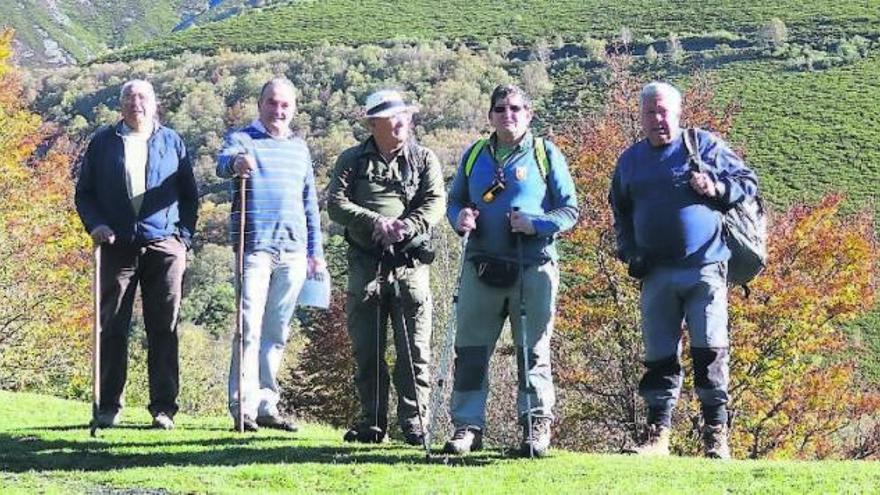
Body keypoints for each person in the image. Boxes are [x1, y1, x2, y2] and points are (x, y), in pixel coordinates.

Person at [609, 81, 758, 459]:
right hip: (655, 274)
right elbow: (620, 214)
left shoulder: (702, 145)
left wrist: (715, 187)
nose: (658, 119)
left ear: (677, 112)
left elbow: (747, 182)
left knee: (710, 351)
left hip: (705, 267)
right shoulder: (629, 161)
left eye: (664, 111)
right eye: (650, 112)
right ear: (641, 117)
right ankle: (658, 437)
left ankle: (716, 438)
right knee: (659, 356)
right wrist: (629, 253)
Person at [444, 84, 578, 457]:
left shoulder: (545, 154)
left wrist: (536, 224)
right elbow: (454, 201)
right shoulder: (474, 155)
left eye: (516, 108)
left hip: (532, 268)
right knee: (470, 352)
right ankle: (467, 428)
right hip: (481, 268)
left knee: (531, 352)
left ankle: (535, 428)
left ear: (529, 114)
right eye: (500, 109)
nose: (508, 115)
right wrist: (461, 218)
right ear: (490, 116)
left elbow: (570, 211)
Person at [75, 79, 198, 430]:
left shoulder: (172, 141)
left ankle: (163, 408)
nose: (136, 103)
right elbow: (84, 194)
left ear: (155, 103)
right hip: (116, 246)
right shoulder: (103, 142)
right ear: (120, 105)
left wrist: (182, 239)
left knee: (164, 327)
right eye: (129, 98)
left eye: (143, 97)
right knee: (112, 326)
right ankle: (108, 405)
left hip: (164, 246)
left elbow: (190, 196)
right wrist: (96, 225)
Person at [327, 89, 445, 445]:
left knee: (415, 349)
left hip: (410, 266)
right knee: (366, 348)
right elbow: (335, 204)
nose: (401, 123)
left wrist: (406, 226)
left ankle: (415, 423)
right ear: (373, 123)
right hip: (366, 265)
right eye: (392, 118)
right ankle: (371, 422)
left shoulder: (424, 159)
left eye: (404, 116)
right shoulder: (351, 160)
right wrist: (374, 222)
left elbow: (436, 202)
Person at [217, 77, 325, 432]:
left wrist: (315, 253)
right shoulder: (243, 139)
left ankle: (266, 404)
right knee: (247, 327)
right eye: (272, 103)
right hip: (255, 248)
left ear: (293, 109)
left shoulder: (299, 148)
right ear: (260, 104)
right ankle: (243, 407)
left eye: (285, 105)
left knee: (277, 331)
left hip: (293, 251)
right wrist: (236, 164)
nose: (278, 110)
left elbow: (309, 203)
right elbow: (222, 162)